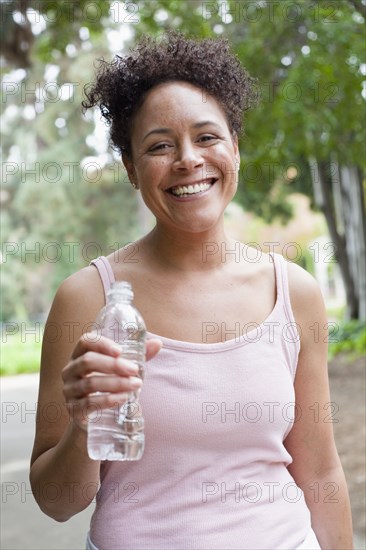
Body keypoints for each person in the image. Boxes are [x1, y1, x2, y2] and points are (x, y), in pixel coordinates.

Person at [30, 32, 353, 550]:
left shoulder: (294, 292)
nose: (188, 160)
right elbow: (56, 500)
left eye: (207, 137)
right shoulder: (88, 299)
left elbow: (320, 473)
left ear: (235, 149)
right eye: (159, 145)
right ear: (133, 170)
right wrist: (85, 424)